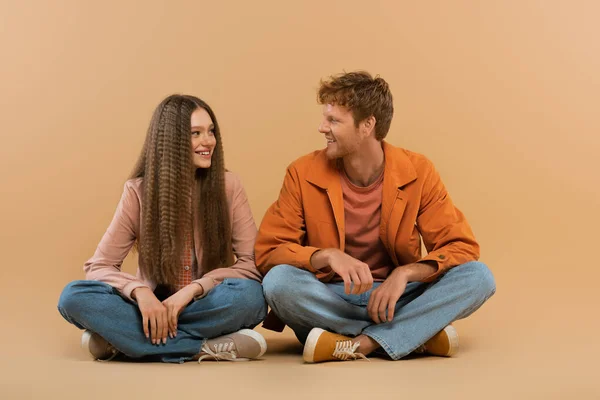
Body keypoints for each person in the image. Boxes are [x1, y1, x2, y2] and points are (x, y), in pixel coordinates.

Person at [255, 72, 496, 363]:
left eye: (334, 121)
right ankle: (413, 334)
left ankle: (357, 343)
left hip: (397, 297)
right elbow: (269, 252)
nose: (322, 128)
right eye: (325, 118)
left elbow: (461, 247)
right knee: (278, 282)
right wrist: (327, 256)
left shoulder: (418, 170)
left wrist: (404, 274)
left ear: (367, 125)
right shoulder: (302, 172)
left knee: (478, 277)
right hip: (330, 296)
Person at [58, 95, 267, 363]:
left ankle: (124, 343)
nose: (209, 141)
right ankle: (203, 348)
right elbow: (99, 267)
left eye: (211, 131)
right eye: (196, 133)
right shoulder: (138, 191)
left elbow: (252, 265)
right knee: (73, 297)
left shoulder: (229, 186)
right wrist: (140, 293)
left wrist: (193, 290)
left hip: (205, 304)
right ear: (171, 142)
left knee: (253, 298)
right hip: (147, 311)